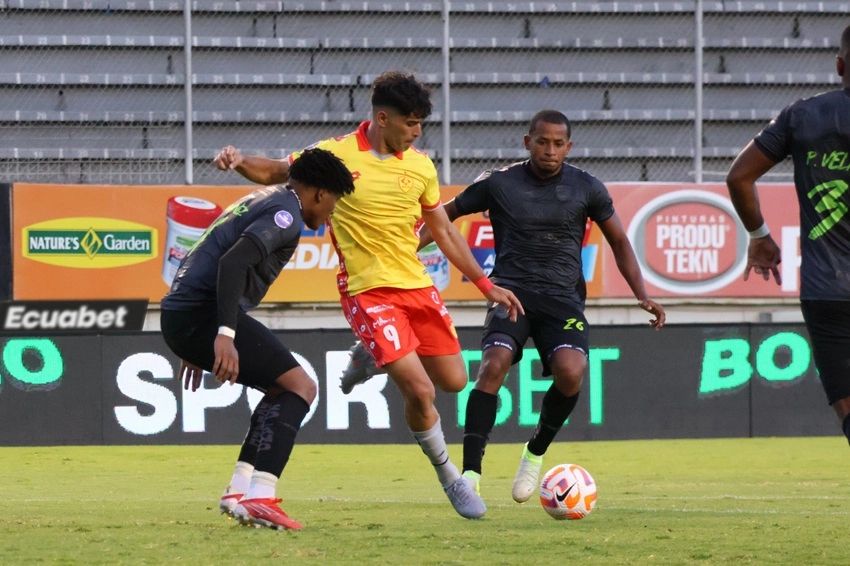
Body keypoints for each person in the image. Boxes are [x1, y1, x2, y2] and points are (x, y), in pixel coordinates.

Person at [213, 70, 524, 520]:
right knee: (420, 393)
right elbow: (278, 171)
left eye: (421, 125)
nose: (417, 133)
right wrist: (238, 161)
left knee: (454, 380)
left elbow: (442, 231)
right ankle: (449, 477)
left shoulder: (419, 166)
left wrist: (486, 284)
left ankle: (367, 357)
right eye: (410, 124)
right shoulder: (335, 155)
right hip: (367, 291)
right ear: (383, 118)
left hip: (416, 286)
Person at [344, 109, 666, 504]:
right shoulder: (499, 183)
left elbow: (618, 240)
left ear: (569, 146)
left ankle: (534, 453)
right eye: (542, 142)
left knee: (571, 373)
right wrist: (405, 249)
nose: (550, 150)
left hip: (563, 300)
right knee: (492, 366)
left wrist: (641, 292)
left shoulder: (587, 187)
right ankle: (472, 474)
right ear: (526, 142)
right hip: (511, 293)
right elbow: (445, 217)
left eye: (558, 144)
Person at [160, 148, 355, 530]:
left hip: (185, 313)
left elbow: (202, 251)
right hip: (199, 315)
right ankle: (262, 496)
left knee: (279, 388)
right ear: (319, 193)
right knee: (302, 387)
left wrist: (195, 334)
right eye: (333, 203)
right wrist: (223, 334)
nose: (331, 213)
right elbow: (232, 263)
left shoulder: (260, 198)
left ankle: (240, 491)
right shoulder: (287, 214)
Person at [725, 24, 850, 447]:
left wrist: (759, 235)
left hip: (826, 289)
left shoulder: (803, 115)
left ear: (839, 65)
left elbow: (739, 176)